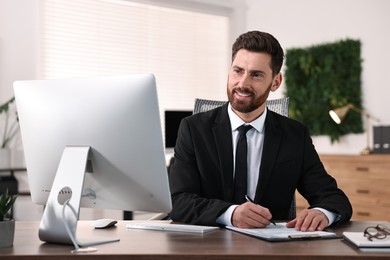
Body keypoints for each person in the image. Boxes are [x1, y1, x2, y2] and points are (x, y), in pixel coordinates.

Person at [168, 31, 352, 231]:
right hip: (208, 246)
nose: (243, 83)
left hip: (270, 247)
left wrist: (323, 213)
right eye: (238, 71)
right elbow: (178, 201)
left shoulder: (295, 136)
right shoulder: (193, 129)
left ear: (276, 82)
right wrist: (230, 214)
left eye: (256, 75)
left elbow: (334, 198)